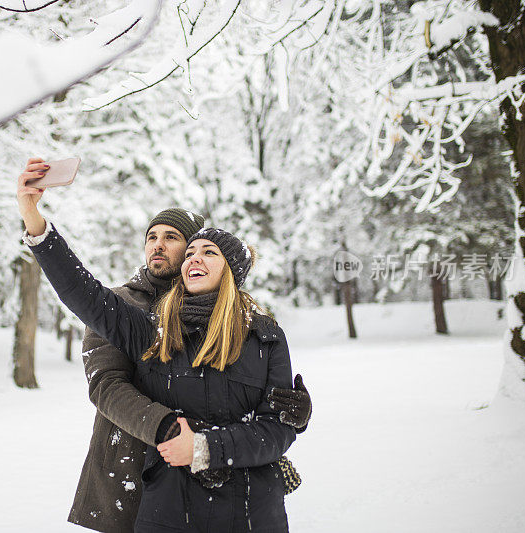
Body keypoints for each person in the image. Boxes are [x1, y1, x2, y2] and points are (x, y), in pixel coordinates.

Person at [18, 158, 309, 532]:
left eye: (199, 249)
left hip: (251, 506)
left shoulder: (264, 335)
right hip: (161, 493)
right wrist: (35, 222)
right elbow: (87, 303)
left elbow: (275, 426)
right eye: (190, 254)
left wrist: (288, 414)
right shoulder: (150, 327)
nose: (192, 259)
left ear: (230, 273)